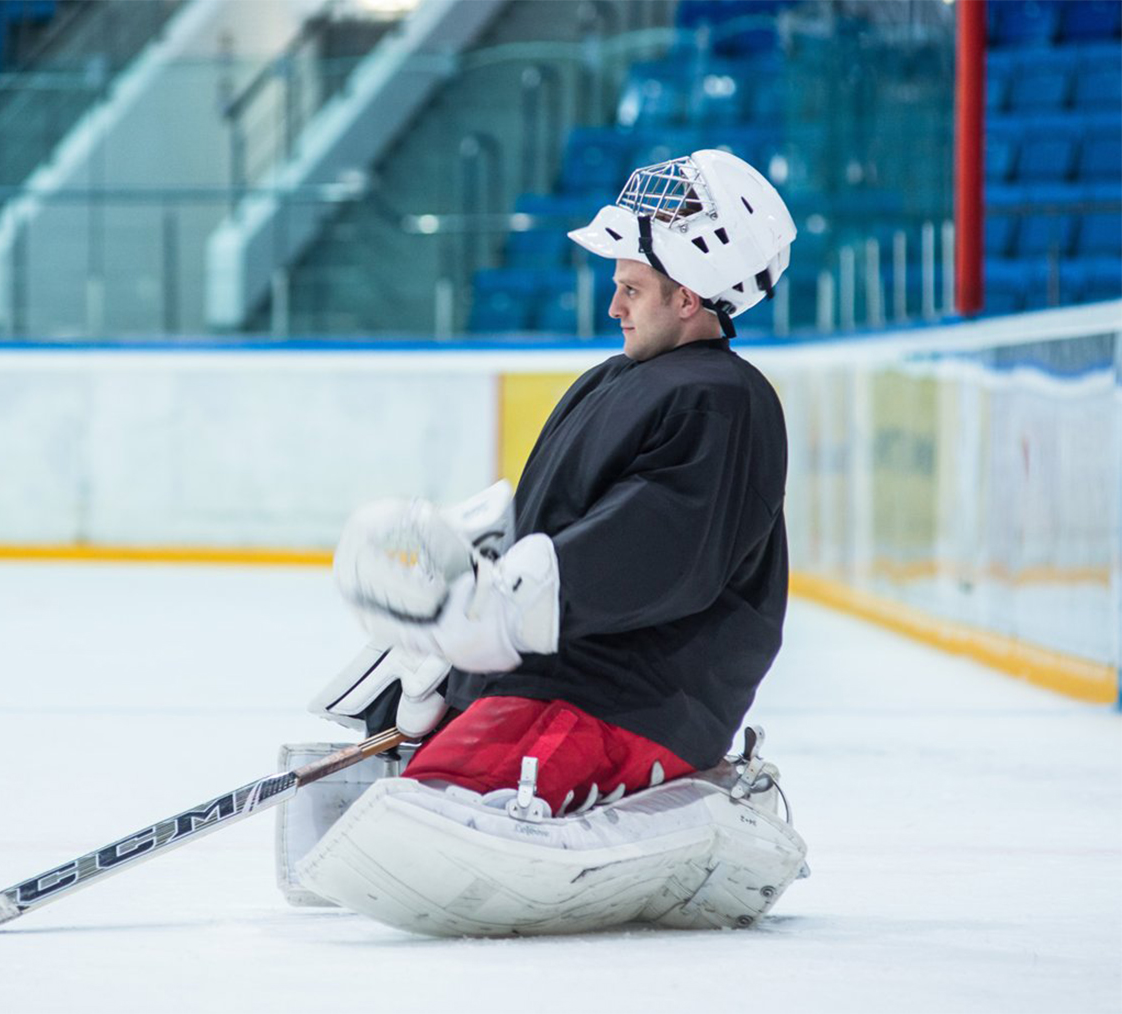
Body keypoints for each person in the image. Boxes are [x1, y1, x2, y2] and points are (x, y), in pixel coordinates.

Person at [291, 149, 808, 936]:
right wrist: (453, 668)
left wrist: (500, 614)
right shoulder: (612, 381)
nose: (614, 307)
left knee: (438, 812)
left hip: (629, 699)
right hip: (561, 681)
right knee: (393, 806)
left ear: (691, 293)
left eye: (631, 288)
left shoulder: (724, 399)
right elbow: (553, 529)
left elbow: (657, 546)